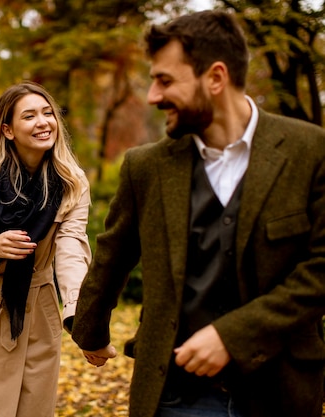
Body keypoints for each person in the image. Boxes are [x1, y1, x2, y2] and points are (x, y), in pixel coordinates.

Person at [71, 9, 325, 417]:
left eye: (165, 81)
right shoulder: (146, 167)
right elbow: (113, 253)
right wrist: (90, 330)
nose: (153, 96)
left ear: (216, 78)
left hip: (280, 393)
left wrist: (232, 337)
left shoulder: (310, 151)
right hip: (173, 396)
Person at [0, 81, 91, 417]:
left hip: (40, 313)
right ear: (8, 130)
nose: (43, 122)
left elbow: (71, 250)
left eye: (48, 113)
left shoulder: (72, 183)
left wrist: (78, 311)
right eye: (30, 116)